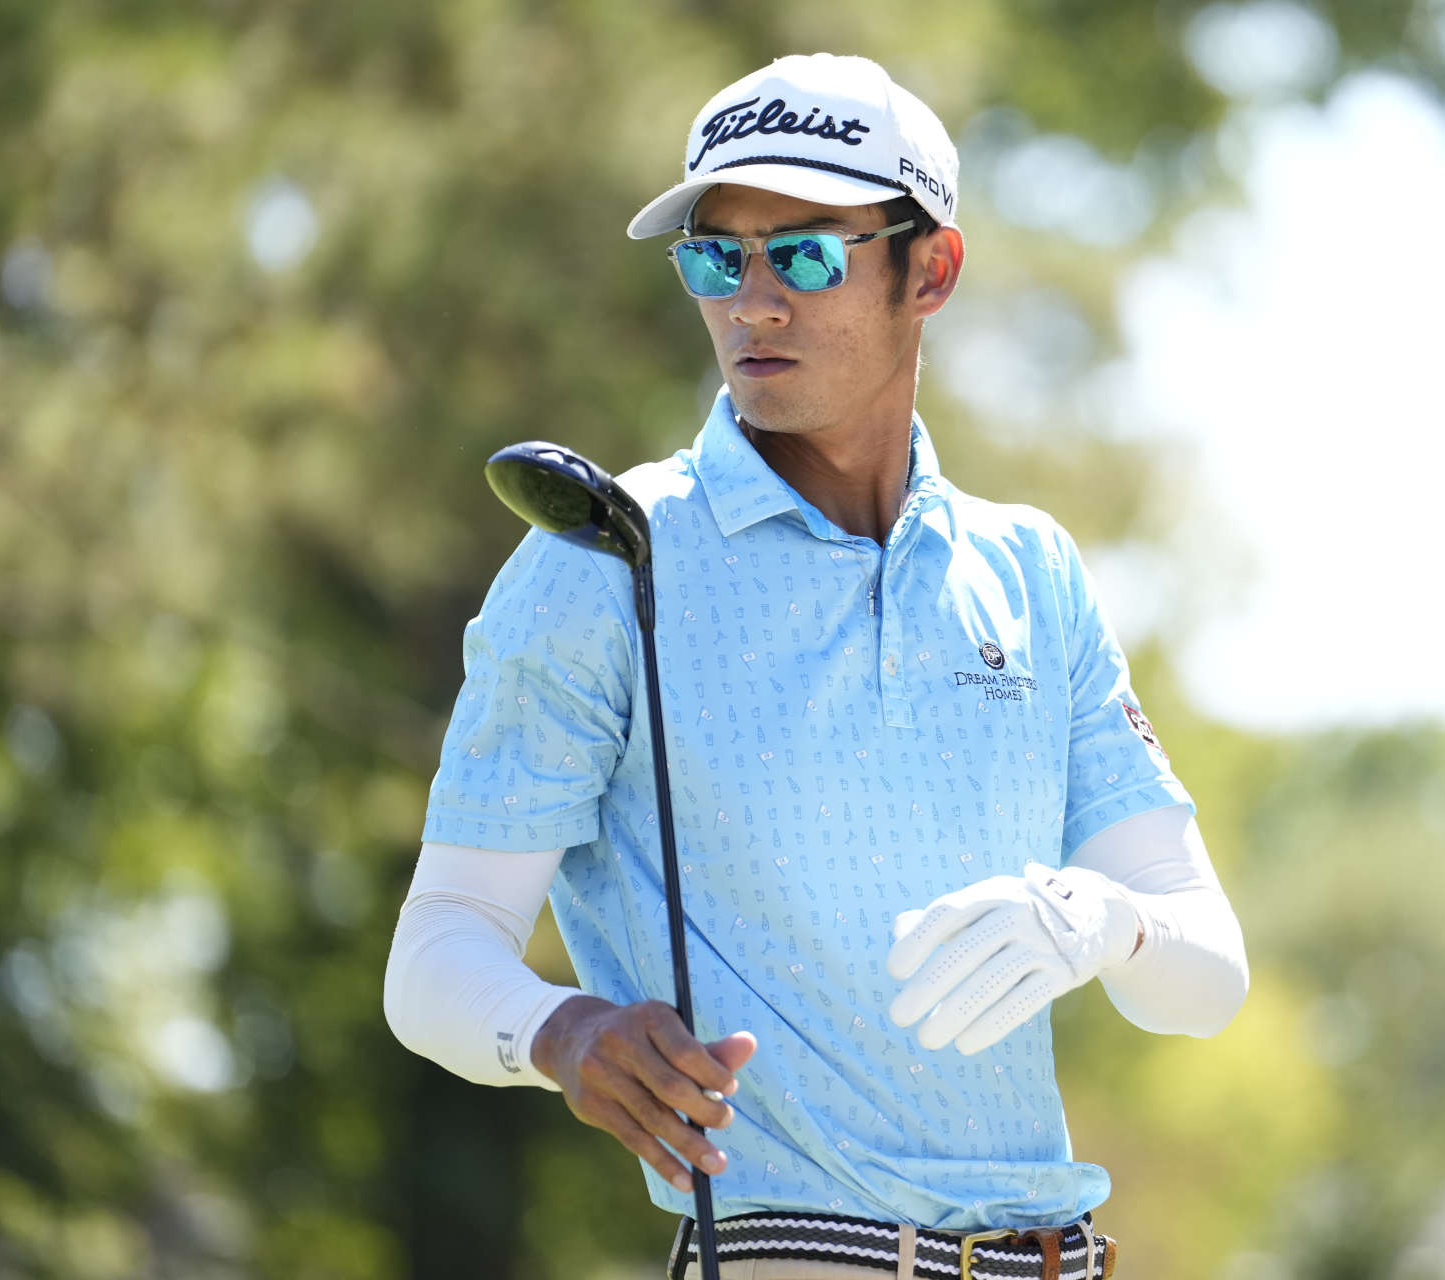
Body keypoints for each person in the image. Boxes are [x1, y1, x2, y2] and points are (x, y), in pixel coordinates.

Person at [384, 52, 1249, 1280]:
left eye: (803, 253)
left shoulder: (1031, 570)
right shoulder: (604, 559)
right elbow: (439, 948)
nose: (752, 302)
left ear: (930, 268)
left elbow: (1203, 976)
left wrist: (1102, 920)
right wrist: (564, 1029)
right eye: (714, 257)